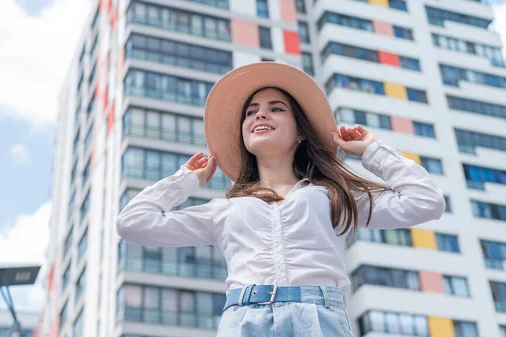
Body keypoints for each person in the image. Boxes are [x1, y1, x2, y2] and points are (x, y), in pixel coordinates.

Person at [116, 62, 445, 336]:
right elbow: (133, 224)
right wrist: (185, 181)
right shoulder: (223, 211)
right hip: (244, 320)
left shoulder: (334, 196)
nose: (259, 116)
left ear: (300, 131)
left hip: (319, 319)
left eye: (276, 109)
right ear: (244, 135)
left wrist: (373, 151)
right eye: (251, 112)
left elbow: (426, 201)